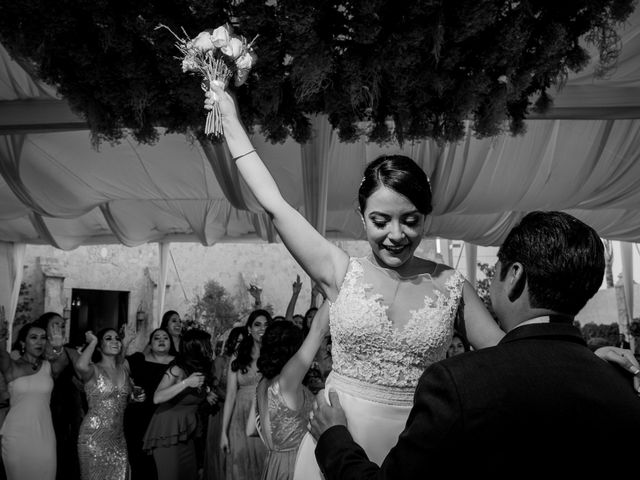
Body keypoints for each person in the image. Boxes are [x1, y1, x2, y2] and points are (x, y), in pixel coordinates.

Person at [205, 86, 505, 478]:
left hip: (419, 447)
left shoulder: (451, 285)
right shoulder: (341, 274)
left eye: (410, 220)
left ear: (426, 218)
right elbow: (274, 204)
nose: (396, 234)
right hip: (335, 437)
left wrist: (584, 362)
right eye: (381, 221)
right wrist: (231, 121)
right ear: (362, 217)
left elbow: (509, 358)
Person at [309, 211, 640, 478]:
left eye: (495, 269)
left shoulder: (458, 385)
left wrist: (334, 439)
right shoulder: (621, 387)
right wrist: (592, 359)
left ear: (514, 275)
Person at [247, 301, 330, 480]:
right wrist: (333, 293)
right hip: (296, 465)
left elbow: (251, 429)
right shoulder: (287, 381)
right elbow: (318, 331)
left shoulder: (263, 383)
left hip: (274, 463)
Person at [143, 328, 216, 480]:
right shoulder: (177, 369)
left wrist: (206, 393)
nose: (211, 347)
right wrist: (186, 383)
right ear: (195, 347)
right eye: (207, 344)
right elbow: (157, 397)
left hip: (185, 433)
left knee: (189, 475)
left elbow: (191, 395)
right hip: (168, 431)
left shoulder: (198, 368)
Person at [0, 320, 65, 480]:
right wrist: (1, 335)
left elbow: (63, 362)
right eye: (33, 337)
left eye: (43, 338)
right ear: (23, 342)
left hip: (45, 435)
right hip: (16, 435)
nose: (39, 342)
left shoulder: (49, 367)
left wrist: (58, 347)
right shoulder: (12, 366)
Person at [76, 328, 142, 480]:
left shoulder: (124, 369)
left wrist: (134, 397)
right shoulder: (94, 370)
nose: (115, 341)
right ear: (100, 346)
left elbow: (120, 398)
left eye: (117, 338)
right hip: (93, 437)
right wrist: (92, 342)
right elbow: (80, 366)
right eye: (108, 338)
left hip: (118, 438)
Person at [34, 312, 85, 480]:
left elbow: (85, 379)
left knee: (69, 455)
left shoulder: (71, 351)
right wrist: (57, 349)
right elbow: (53, 373)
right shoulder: (37, 351)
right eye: (55, 325)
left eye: (62, 325)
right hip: (46, 409)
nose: (60, 328)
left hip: (70, 409)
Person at [220, 309, 269, 480]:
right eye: (257, 324)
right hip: (239, 418)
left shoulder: (273, 355)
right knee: (240, 464)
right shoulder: (238, 356)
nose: (262, 328)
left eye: (266, 325)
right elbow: (230, 396)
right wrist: (223, 433)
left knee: (264, 464)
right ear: (249, 329)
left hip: (264, 414)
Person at [125, 327, 175, 480]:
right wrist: (130, 389)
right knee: (139, 464)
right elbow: (117, 371)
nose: (161, 340)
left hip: (165, 418)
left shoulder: (179, 362)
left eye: (165, 337)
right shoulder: (138, 359)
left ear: (171, 343)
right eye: (156, 338)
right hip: (137, 418)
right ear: (150, 344)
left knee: (162, 466)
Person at [204, 326, 245, 480]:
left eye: (243, 341)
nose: (240, 345)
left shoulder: (249, 362)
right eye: (237, 341)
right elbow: (214, 384)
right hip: (221, 410)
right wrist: (232, 398)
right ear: (231, 342)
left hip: (242, 411)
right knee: (219, 451)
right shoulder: (222, 360)